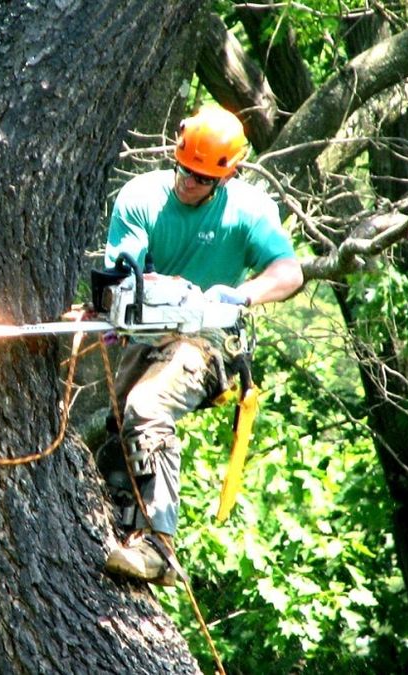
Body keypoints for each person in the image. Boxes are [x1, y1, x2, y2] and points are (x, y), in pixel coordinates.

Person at [99, 105, 303, 586]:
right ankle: (121, 522)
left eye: (202, 179)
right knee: (117, 428)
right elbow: (121, 271)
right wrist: (125, 299)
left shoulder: (248, 210)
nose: (189, 184)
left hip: (206, 341)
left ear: (224, 178)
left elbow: (289, 271)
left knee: (147, 407)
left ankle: (159, 547)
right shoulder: (141, 198)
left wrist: (244, 293)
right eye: (185, 171)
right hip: (148, 331)